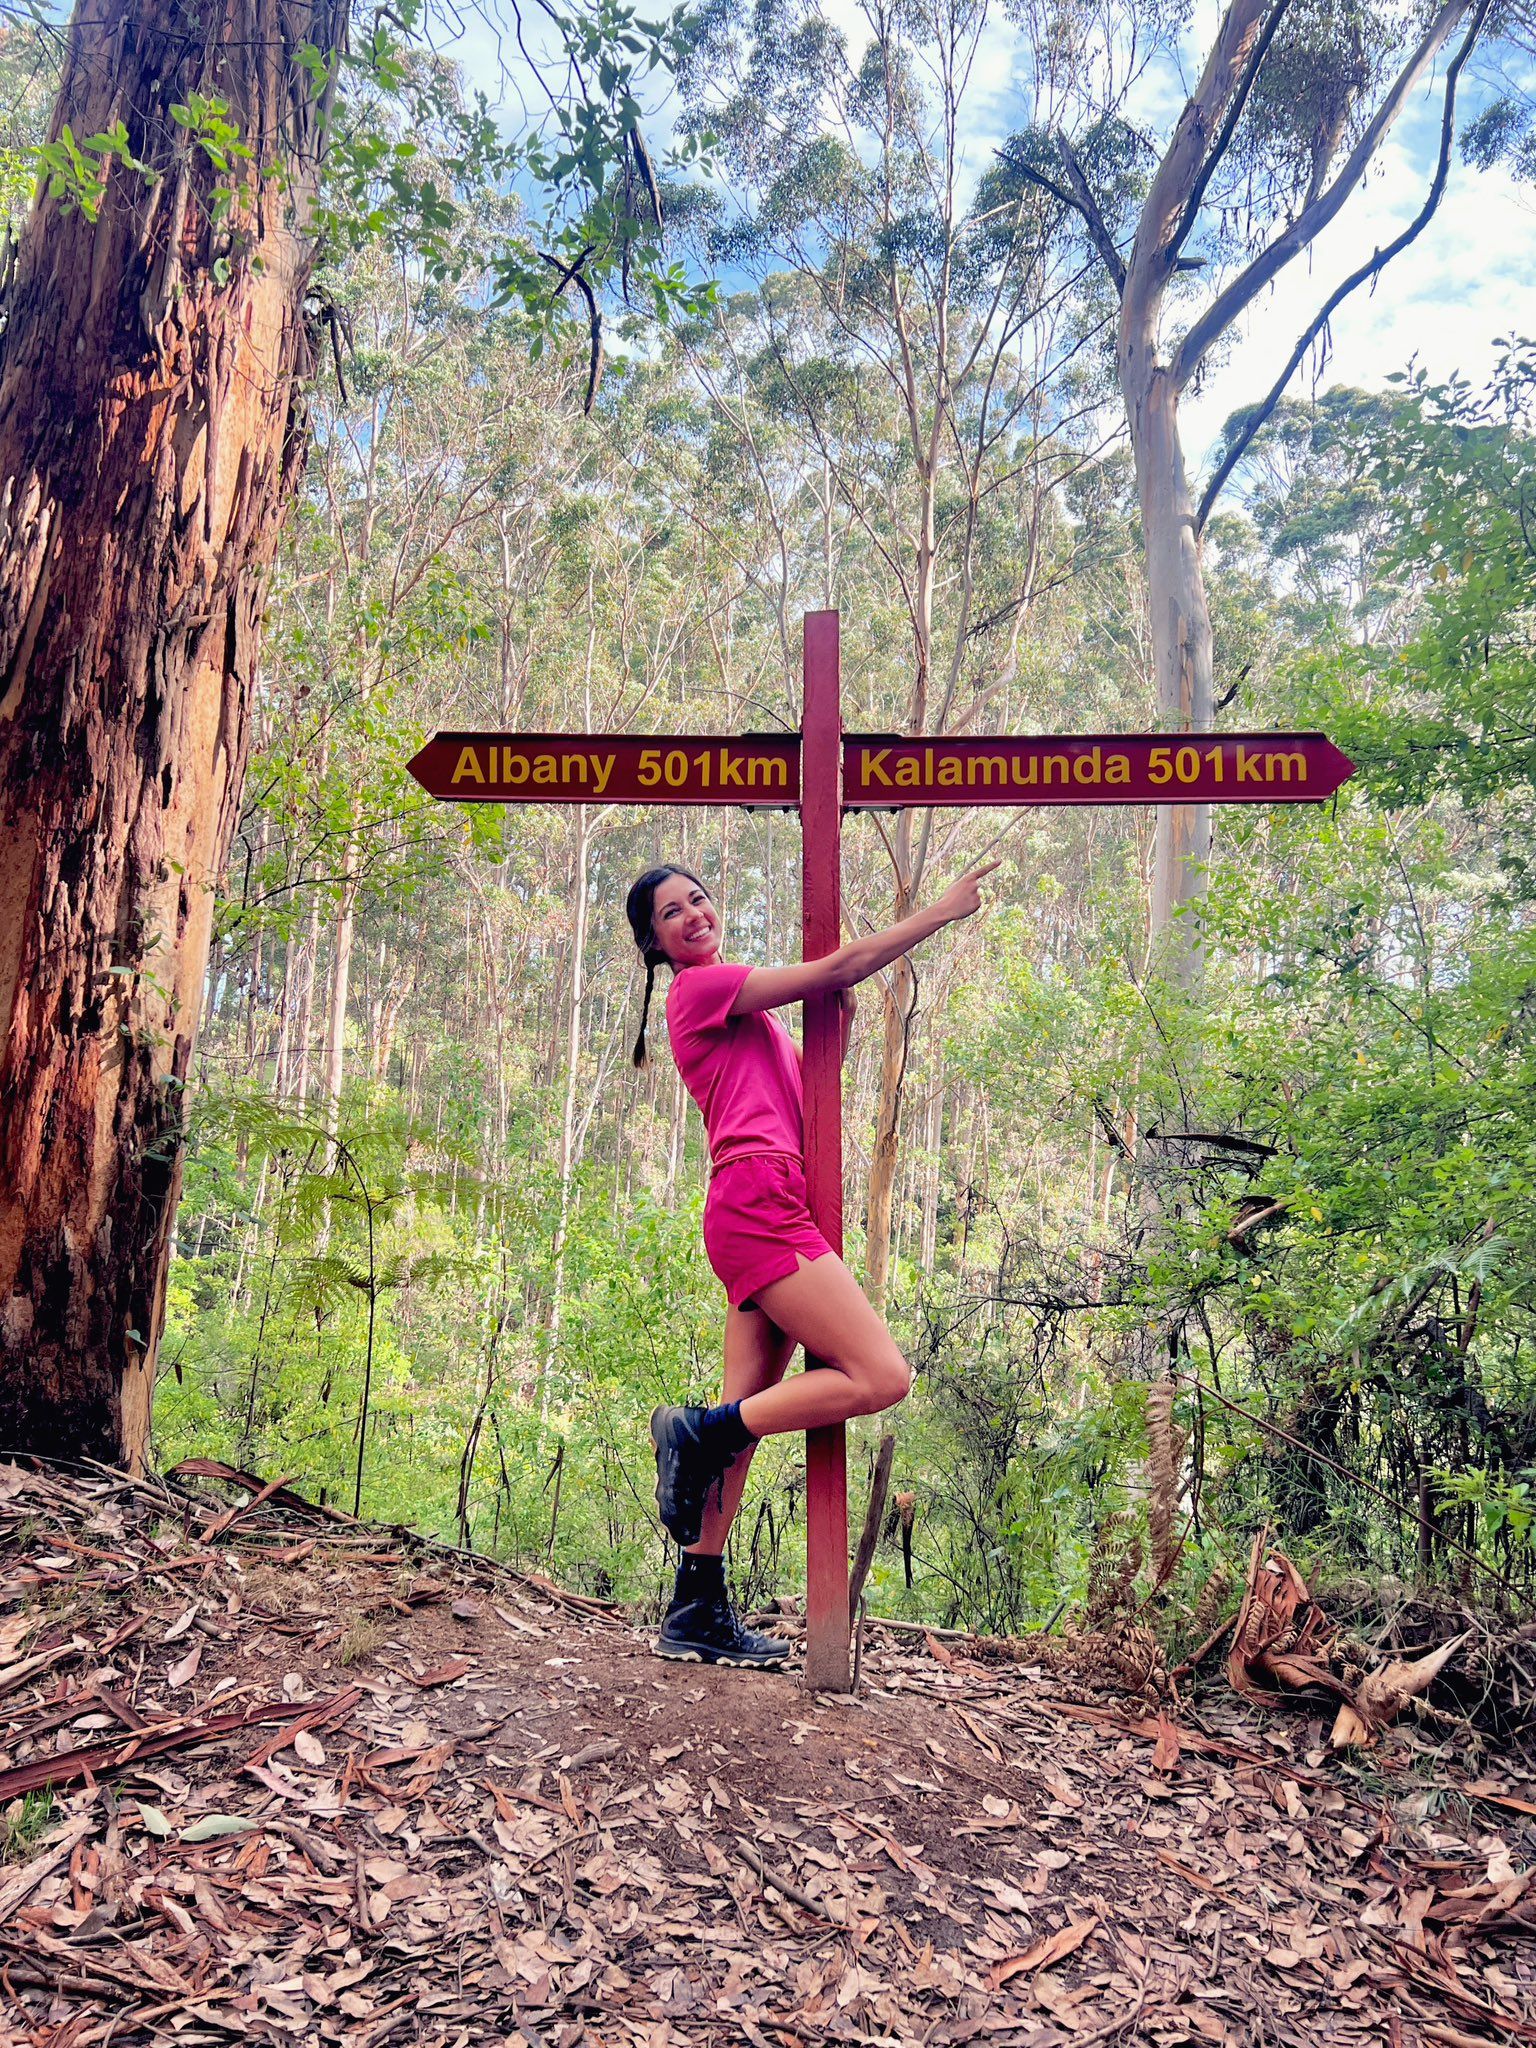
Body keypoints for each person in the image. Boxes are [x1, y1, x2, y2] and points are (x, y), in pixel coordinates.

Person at [625, 855, 1000, 1667]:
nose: (693, 915)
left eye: (698, 899)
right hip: (759, 1202)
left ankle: (694, 1610)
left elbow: (807, 1091)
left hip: (759, 1200)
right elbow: (838, 966)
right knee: (881, 1376)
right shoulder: (699, 990)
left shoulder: (750, 1019)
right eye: (671, 914)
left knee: (745, 1421)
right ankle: (696, 1430)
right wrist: (940, 911)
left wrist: (846, 1020)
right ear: (655, 945)